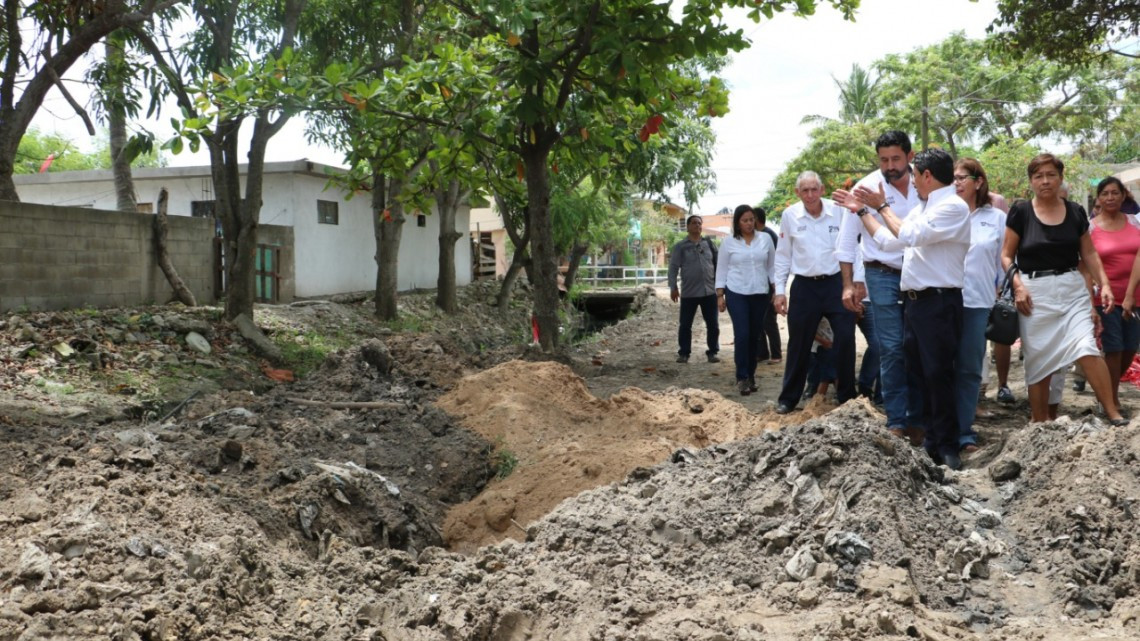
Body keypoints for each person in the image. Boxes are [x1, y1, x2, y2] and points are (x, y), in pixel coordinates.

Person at [836, 148, 970, 470]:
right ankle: (931, 442)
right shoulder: (923, 208)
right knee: (920, 375)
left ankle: (948, 446)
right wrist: (860, 212)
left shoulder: (953, 206)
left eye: (913, 175)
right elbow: (886, 240)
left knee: (939, 375)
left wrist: (880, 205)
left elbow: (908, 234)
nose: (911, 183)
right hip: (915, 304)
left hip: (940, 301)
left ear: (925, 175)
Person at [1001, 153, 1126, 425]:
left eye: (1051, 175)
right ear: (1031, 181)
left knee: (1087, 347)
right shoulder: (1021, 212)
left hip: (1072, 289)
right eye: (1038, 176)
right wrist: (1018, 286)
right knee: (1039, 361)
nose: (1045, 181)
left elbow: (1090, 254)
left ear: (1060, 178)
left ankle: (1113, 412)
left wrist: (1103, 284)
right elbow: (1007, 256)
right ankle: (1040, 421)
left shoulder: (1075, 211)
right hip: (1034, 293)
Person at [835, 130, 922, 442]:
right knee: (892, 348)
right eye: (884, 159)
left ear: (910, 157)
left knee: (919, 346)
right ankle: (896, 419)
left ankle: (920, 418)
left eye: (896, 158)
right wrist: (848, 284)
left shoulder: (925, 183)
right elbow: (846, 242)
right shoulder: (865, 188)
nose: (890, 166)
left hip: (921, 274)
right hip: (881, 274)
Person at [772, 170, 856, 414]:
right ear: (798, 193)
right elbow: (783, 255)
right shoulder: (790, 216)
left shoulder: (838, 211)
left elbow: (852, 246)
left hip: (836, 283)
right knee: (798, 343)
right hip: (804, 286)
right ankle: (788, 398)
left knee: (846, 339)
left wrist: (854, 284)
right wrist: (779, 292)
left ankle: (847, 396)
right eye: (804, 190)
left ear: (821, 190)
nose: (810, 195)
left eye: (814, 189)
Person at [951, 158, 1006, 456]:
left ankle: (963, 431)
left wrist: (997, 291)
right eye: (953, 178)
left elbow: (1002, 260)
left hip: (978, 301)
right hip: (944, 301)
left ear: (979, 181)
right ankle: (940, 428)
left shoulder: (995, 217)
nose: (957, 182)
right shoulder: (945, 213)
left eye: (963, 177)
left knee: (971, 368)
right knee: (940, 365)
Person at [716, 205, 776, 396]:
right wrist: (719, 294)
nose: (749, 224)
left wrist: (777, 290)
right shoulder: (728, 243)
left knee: (755, 336)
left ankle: (751, 375)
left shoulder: (765, 239)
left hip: (760, 292)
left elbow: (772, 267)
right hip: (736, 292)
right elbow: (722, 269)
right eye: (745, 220)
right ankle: (741, 377)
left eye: (752, 220)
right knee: (742, 335)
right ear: (737, 223)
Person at [1093, 176, 1140, 415]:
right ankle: (1111, 401)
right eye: (1105, 193)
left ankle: (1106, 393)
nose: (1110, 198)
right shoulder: (1091, 228)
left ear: (1123, 195)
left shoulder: (1135, 222)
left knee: (1131, 346)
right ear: (1098, 198)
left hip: (1135, 295)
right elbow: (1087, 264)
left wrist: (1131, 293)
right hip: (1106, 299)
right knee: (1114, 348)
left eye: (1115, 193)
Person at [668, 215, 720, 364]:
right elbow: (673, 268)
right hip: (689, 293)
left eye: (699, 223)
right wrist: (673, 287)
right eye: (694, 223)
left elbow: (718, 266)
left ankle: (713, 352)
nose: (697, 225)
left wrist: (720, 287)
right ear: (688, 226)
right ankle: (684, 353)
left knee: (713, 324)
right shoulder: (681, 246)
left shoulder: (709, 244)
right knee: (685, 325)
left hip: (709, 292)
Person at [755, 213, 783, 364]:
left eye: (751, 219)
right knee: (760, 320)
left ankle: (776, 354)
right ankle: (763, 352)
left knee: (769, 321)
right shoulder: (761, 235)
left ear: (757, 220)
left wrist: (776, 290)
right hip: (761, 285)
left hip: (770, 285)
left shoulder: (768, 236)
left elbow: (775, 264)